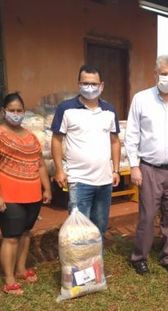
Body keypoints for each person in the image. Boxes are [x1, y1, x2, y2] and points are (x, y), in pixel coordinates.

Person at [125, 55, 168, 276]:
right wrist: (134, 166)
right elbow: (132, 134)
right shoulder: (141, 99)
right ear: (155, 74)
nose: (167, 78)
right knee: (147, 214)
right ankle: (139, 257)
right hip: (149, 168)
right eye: (163, 73)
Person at [0, 92, 52, 295]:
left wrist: (46, 188)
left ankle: (21, 269)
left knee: (26, 233)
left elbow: (39, 165)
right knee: (11, 237)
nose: (15, 114)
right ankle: (9, 279)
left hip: (32, 195)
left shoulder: (30, 136)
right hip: (9, 196)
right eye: (11, 110)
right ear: (4, 112)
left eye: (19, 110)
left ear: (24, 112)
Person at [51, 65, 121, 236]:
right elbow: (56, 140)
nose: (90, 87)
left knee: (100, 227)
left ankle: (97, 263)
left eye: (94, 84)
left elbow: (115, 141)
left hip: (104, 181)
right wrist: (59, 170)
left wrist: (116, 170)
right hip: (79, 181)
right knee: (79, 229)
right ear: (78, 84)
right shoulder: (66, 108)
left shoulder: (109, 111)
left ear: (101, 85)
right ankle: (78, 263)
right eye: (85, 83)